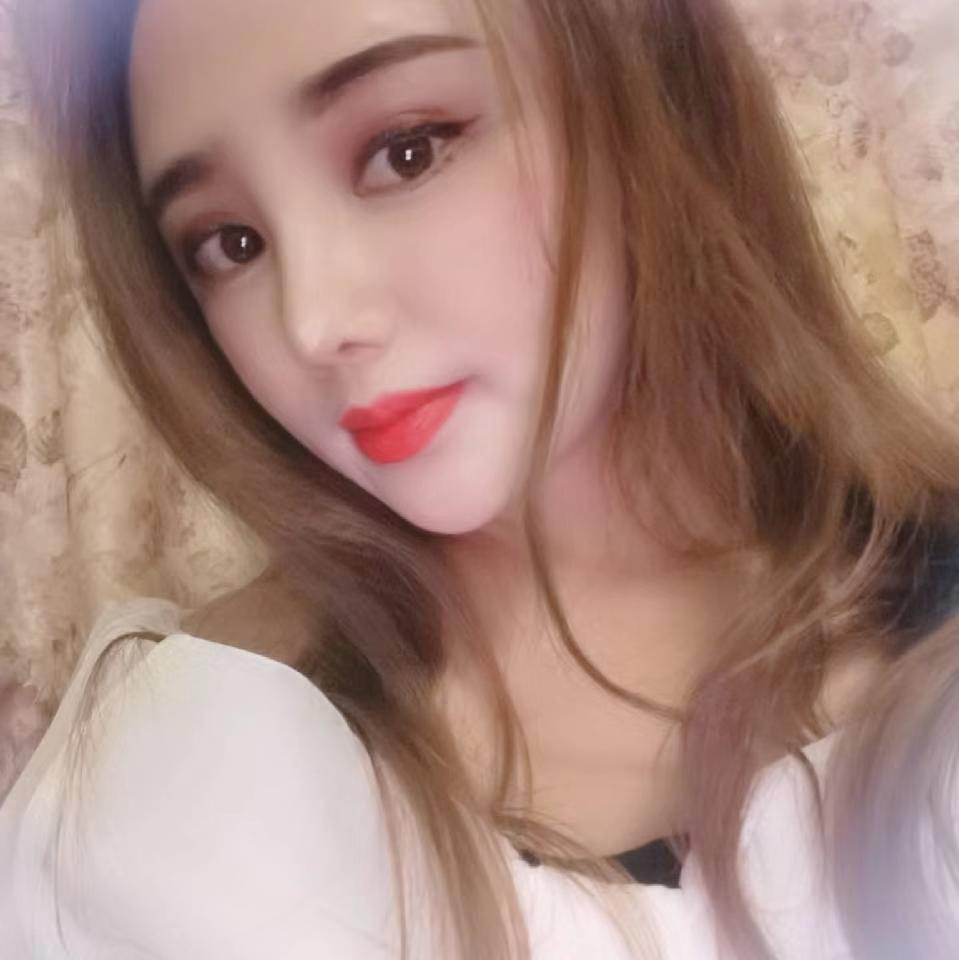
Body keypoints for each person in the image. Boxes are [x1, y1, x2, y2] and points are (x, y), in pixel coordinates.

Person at [2, 0, 959, 956]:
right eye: (229, 243)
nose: (311, 322)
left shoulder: (929, 644)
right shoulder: (179, 777)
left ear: (646, 88)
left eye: (406, 151)